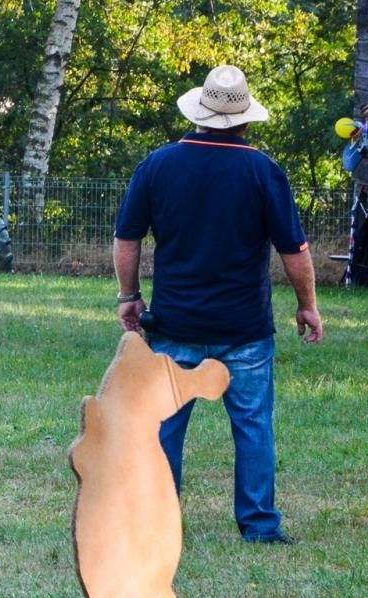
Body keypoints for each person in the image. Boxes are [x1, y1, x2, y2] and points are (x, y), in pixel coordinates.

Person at [112, 64, 324, 544]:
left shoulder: (158, 165)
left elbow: (127, 239)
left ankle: (156, 522)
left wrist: (129, 297)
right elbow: (295, 250)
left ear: (199, 112)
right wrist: (307, 304)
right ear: (245, 119)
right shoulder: (264, 171)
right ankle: (260, 526)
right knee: (253, 426)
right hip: (245, 328)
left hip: (174, 323)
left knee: (165, 425)